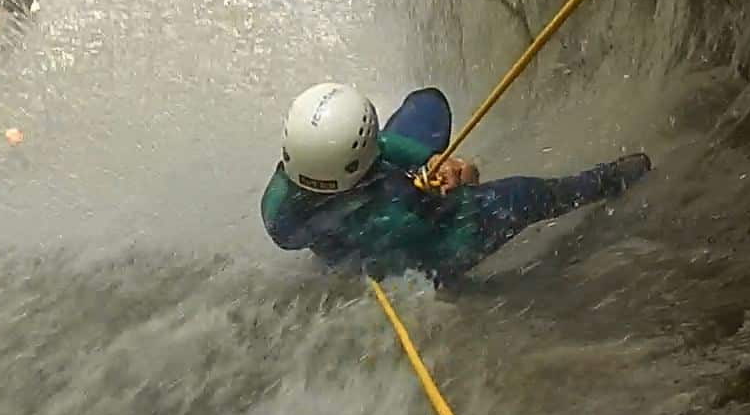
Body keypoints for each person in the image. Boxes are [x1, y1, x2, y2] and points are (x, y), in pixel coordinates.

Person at [260, 82, 651, 285]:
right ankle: (606, 181)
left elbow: (380, 146)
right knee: (525, 196)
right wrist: (453, 179)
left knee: (427, 104)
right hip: (425, 244)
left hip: (367, 200)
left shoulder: (280, 199)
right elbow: (457, 195)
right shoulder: (396, 216)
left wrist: (428, 161)